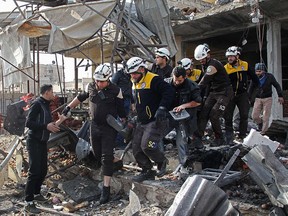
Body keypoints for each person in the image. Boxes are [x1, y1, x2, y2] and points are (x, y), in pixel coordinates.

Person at [62, 64, 127, 204]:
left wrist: (125, 122)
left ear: (108, 79)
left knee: (105, 156)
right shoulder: (91, 86)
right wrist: (68, 107)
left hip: (109, 127)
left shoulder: (116, 90)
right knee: (97, 154)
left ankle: (106, 189)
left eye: (101, 81)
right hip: (94, 126)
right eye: (97, 81)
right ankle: (116, 162)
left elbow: (122, 111)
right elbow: (80, 98)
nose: (98, 84)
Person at [126, 56, 175, 182]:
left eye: (134, 74)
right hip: (141, 120)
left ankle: (161, 161)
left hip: (155, 120)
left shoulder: (154, 79)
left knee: (147, 146)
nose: (132, 76)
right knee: (136, 148)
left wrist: (162, 107)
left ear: (142, 69)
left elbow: (169, 91)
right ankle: (147, 170)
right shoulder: (135, 81)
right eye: (131, 74)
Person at [25, 84, 67, 214]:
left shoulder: (45, 105)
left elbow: (49, 126)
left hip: (43, 142)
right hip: (34, 141)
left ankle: (37, 193)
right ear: (47, 92)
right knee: (34, 171)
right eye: (52, 92)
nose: (53, 94)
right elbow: (29, 123)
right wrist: (45, 126)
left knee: (43, 170)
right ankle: (29, 202)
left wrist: (60, 121)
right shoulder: (37, 104)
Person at [193, 44, 233, 147]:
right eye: (200, 60)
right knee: (204, 112)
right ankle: (198, 137)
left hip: (224, 92)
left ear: (208, 55)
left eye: (202, 59)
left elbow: (204, 81)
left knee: (214, 115)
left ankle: (219, 138)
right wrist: (205, 96)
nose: (201, 61)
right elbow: (208, 84)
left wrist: (193, 91)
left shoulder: (213, 64)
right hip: (214, 92)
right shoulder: (205, 65)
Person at [165, 66, 202, 173]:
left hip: (185, 118)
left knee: (181, 141)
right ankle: (161, 164)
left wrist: (184, 106)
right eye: (175, 79)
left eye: (179, 80)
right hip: (169, 116)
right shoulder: (166, 83)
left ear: (185, 77)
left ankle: (184, 166)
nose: (176, 82)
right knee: (157, 135)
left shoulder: (192, 85)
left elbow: (198, 101)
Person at [224, 46, 259, 144]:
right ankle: (229, 137)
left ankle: (242, 135)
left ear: (237, 56)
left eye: (232, 56)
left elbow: (255, 79)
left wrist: (250, 94)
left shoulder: (245, 65)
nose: (229, 59)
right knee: (228, 116)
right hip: (230, 95)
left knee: (244, 115)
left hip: (242, 94)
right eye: (228, 57)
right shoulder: (225, 68)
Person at [251, 63, 284, 134]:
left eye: (259, 71)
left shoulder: (269, 77)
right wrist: (248, 98)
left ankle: (263, 132)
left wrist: (280, 95)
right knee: (254, 116)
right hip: (258, 98)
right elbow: (251, 88)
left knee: (266, 116)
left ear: (263, 71)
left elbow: (276, 85)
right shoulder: (254, 77)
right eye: (256, 71)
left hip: (267, 98)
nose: (258, 73)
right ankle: (260, 123)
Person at [111, 63, 135, 147]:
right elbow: (112, 87)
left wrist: (132, 103)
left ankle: (122, 141)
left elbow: (130, 90)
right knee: (119, 121)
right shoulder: (117, 75)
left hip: (127, 100)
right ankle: (117, 142)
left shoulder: (129, 76)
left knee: (125, 121)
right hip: (119, 100)